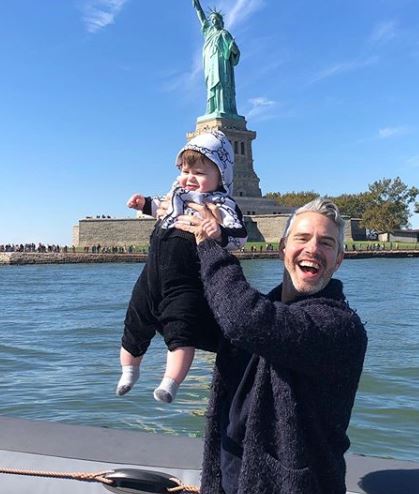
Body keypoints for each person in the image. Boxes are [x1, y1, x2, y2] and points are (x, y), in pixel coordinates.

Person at [175, 198, 368, 493]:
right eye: (302, 238)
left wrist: (212, 247)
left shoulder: (341, 327)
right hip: (228, 480)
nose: (313, 248)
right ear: (282, 249)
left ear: (339, 259)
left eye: (326, 243)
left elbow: (245, 319)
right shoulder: (266, 313)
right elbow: (194, 321)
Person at [116, 130, 247, 403]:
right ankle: (129, 369)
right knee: (135, 321)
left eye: (199, 173)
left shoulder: (221, 204)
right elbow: (159, 208)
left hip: (185, 279)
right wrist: (144, 204)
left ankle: (170, 382)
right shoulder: (175, 196)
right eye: (185, 171)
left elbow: (238, 237)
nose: (189, 178)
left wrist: (217, 231)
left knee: (181, 328)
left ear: (220, 177)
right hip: (151, 275)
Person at [192, 0, 240, 117]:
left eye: (216, 19)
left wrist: (233, 48)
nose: (214, 21)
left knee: (222, 85)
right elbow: (202, 17)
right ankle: (212, 109)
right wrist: (197, 5)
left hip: (222, 63)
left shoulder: (224, 33)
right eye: (212, 19)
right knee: (211, 86)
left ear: (220, 21)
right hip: (210, 64)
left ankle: (224, 109)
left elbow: (236, 52)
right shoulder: (208, 32)